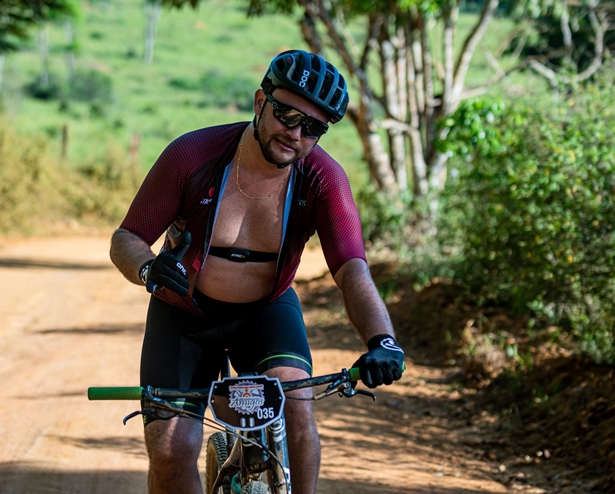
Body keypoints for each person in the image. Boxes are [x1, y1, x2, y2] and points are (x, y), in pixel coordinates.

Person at [109, 50, 406, 494]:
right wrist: (148, 268)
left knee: (296, 406)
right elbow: (127, 238)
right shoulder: (192, 155)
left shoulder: (324, 179)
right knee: (171, 450)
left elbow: (352, 270)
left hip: (265, 312)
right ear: (259, 102)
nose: (295, 133)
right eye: (287, 115)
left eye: (313, 127)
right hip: (183, 315)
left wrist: (382, 340)